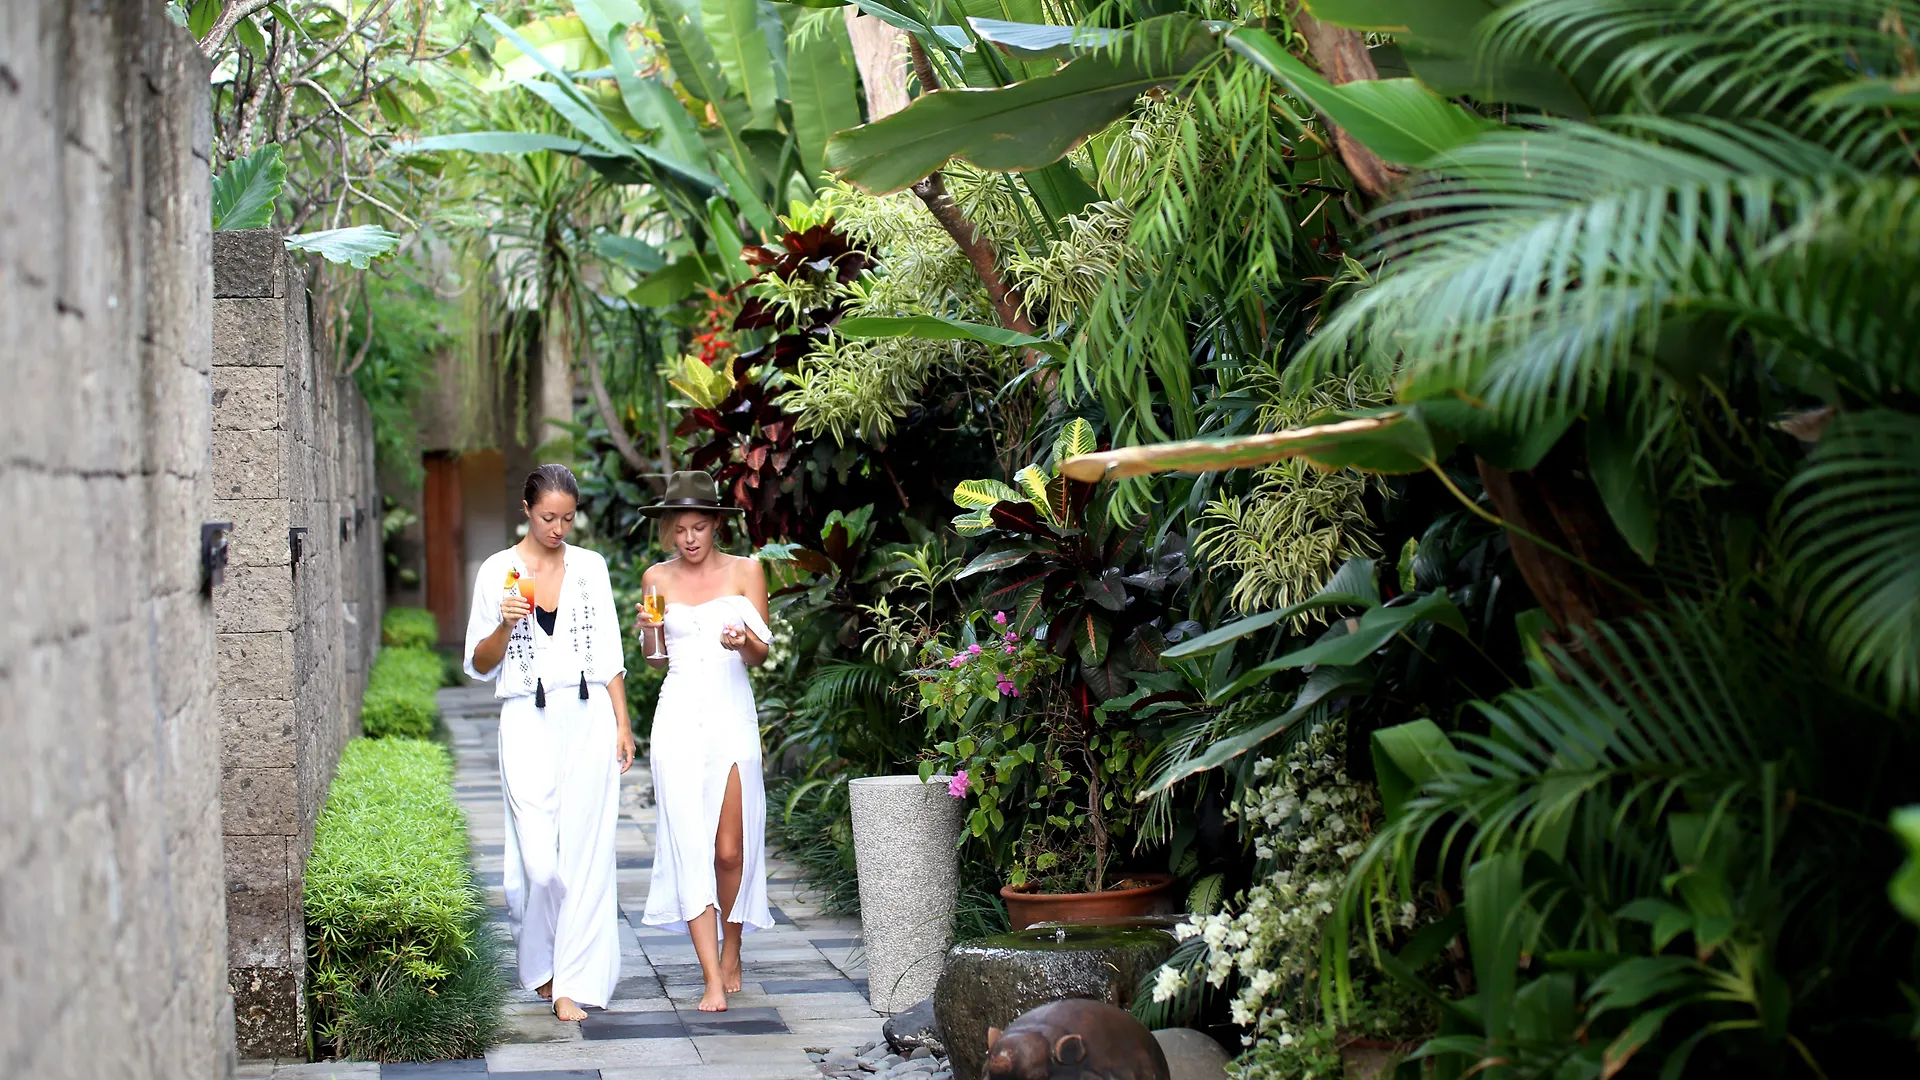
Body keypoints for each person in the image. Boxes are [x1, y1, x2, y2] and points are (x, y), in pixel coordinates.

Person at [464, 464, 636, 1022]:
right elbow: (479, 664)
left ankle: (572, 981)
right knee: (539, 864)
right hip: (526, 721)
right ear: (526, 509)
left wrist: (623, 724)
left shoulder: (590, 567)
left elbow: (609, 653)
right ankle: (540, 964)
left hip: (588, 718)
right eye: (547, 518)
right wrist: (505, 624)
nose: (558, 529)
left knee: (586, 854)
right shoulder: (498, 572)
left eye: (567, 518)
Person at [632, 471, 774, 1013]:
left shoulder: (746, 571)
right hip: (678, 718)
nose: (688, 538)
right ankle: (710, 976)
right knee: (690, 846)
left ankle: (732, 949)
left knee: (729, 849)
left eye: (698, 527)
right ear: (669, 529)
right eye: (679, 528)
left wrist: (740, 642)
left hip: (731, 714)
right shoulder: (656, 577)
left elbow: (761, 652)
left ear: (716, 524)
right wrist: (649, 630)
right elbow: (655, 660)